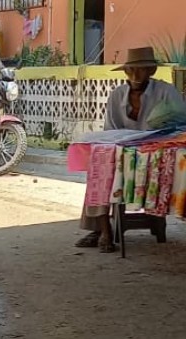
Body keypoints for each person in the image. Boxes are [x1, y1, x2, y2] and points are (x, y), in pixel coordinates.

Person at [76, 46, 186, 253]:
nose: (136, 75)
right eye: (131, 70)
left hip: (155, 151)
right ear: (125, 72)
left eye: (142, 70)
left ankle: (151, 220)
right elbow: (110, 130)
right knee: (99, 166)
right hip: (122, 150)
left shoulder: (166, 92)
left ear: (151, 71)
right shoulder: (117, 95)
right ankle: (103, 230)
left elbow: (180, 124)